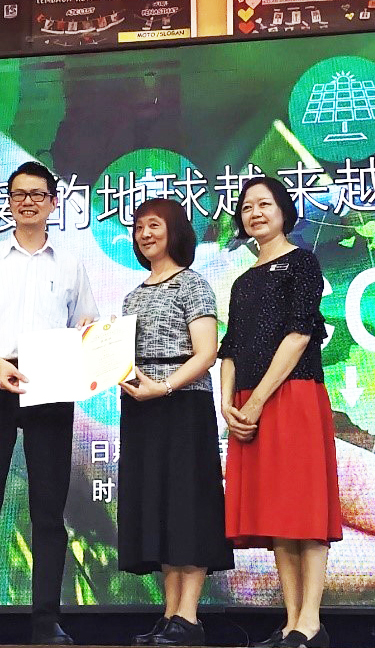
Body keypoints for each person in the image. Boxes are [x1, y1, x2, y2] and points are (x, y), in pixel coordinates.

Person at [0, 160, 98, 646]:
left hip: (50, 380)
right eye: (19, 194)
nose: (28, 201)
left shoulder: (71, 263)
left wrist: (88, 346)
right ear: (8, 202)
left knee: (49, 507)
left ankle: (46, 621)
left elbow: (89, 325)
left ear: (53, 202)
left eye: (37, 193)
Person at [219, 176, 341, 648]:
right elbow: (229, 349)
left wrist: (254, 400)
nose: (255, 213)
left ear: (284, 212)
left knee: (304, 514)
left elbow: (299, 334)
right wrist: (228, 406)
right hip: (249, 406)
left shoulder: (303, 264)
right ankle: (291, 624)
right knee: (278, 519)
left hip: (294, 398)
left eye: (264, 204)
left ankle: (311, 623)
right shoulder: (243, 280)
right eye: (246, 207)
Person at [117, 198, 233, 646]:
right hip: (141, 406)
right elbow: (119, 357)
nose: (145, 234)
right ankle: (169, 616)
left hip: (183, 404)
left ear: (176, 231)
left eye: (155, 225)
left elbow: (206, 354)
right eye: (139, 227)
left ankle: (189, 618)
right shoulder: (132, 295)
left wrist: (163, 387)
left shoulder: (194, 285)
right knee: (157, 505)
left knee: (189, 503)